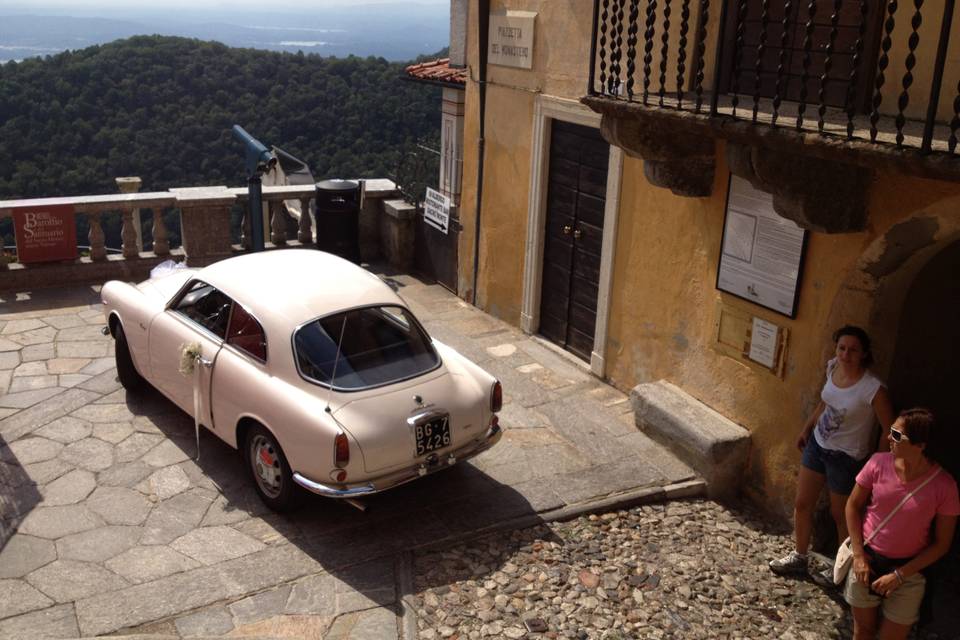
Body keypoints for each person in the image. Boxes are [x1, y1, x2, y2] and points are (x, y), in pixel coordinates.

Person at [770, 325, 895, 580]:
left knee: (842, 516)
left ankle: (843, 572)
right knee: (803, 503)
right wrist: (807, 428)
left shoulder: (872, 388)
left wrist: (878, 463)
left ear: (864, 353)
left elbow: (888, 428)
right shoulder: (833, 368)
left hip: (846, 457)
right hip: (818, 446)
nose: (846, 354)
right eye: (842, 348)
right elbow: (825, 401)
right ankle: (800, 556)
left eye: (852, 350)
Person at [845, 408, 959, 639]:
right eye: (890, 432)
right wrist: (858, 556)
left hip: (908, 574)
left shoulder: (945, 487)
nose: (888, 438)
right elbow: (852, 507)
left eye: (897, 435)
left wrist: (899, 576)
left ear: (921, 445)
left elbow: (942, 544)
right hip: (866, 562)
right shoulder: (878, 463)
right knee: (863, 631)